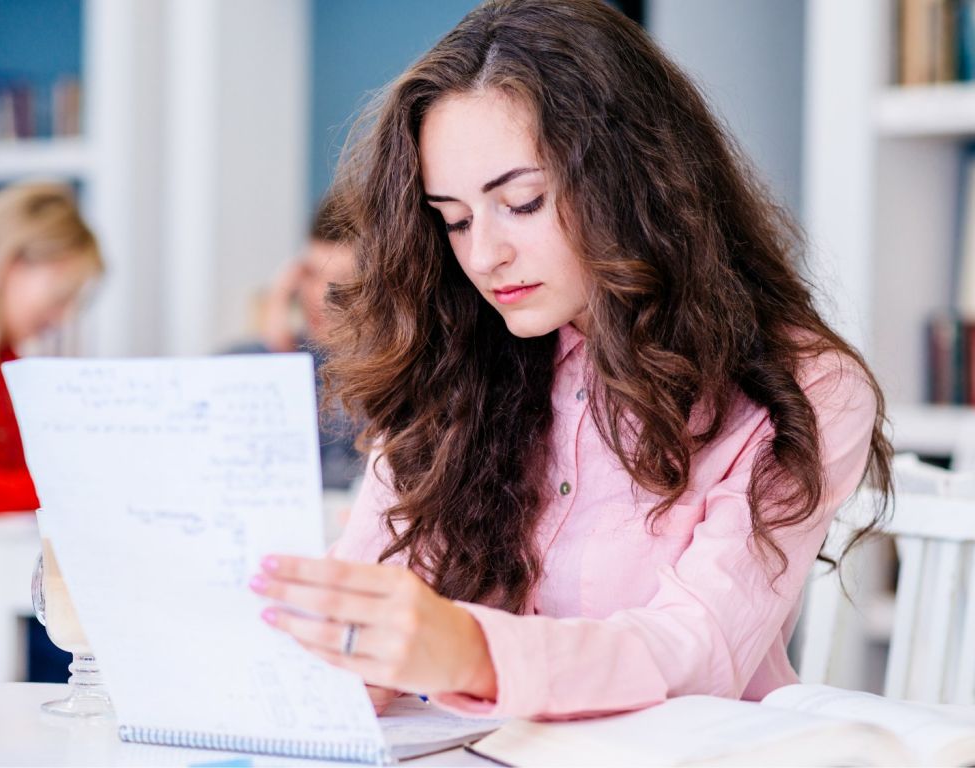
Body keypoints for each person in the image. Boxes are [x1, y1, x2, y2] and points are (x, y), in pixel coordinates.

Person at [250, 0, 892, 720]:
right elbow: (360, 603)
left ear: (634, 178)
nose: (484, 255)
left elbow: (698, 648)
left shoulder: (805, 387)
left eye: (522, 202)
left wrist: (470, 651)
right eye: (455, 220)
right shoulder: (462, 356)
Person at [0, 182, 103, 515]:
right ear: (10, 266)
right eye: (59, 298)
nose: (62, 318)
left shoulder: (7, 366)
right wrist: (65, 491)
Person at [228, 200, 360, 489]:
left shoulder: (393, 374)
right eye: (311, 274)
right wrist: (278, 334)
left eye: (340, 280)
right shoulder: (263, 355)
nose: (320, 296)